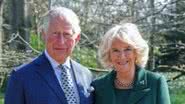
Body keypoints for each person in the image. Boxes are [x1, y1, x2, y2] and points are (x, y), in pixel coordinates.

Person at [5, 7, 94, 104]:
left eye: (67, 34)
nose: (61, 41)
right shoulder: (21, 76)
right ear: (43, 35)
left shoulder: (86, 75)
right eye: (55, 33)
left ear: (76, 38)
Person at [92, 23, 171, 104]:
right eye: (115, 50)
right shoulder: (98, 86)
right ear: (108, 55)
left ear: (136, 52)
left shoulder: (156, 82)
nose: (122, 56)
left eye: (127, 49)